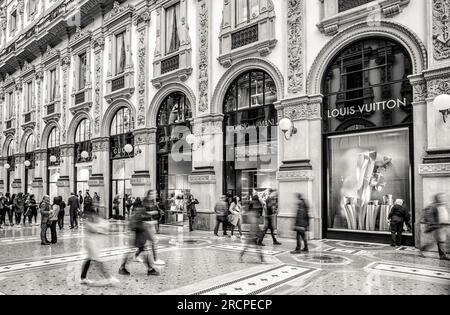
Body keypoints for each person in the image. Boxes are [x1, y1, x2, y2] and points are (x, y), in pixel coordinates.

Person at [119, 197, 160, 276]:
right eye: (150, 203)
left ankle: (149, 268)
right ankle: (123, 268)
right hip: (136, 233)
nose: (151, 205)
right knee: (137, 249)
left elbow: (142, 220)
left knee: (142, 249)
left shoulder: (141, 210)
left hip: (137, 232)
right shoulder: (141, 210)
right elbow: (136, 223)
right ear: (146, 203)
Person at [81, 207, 119, 286]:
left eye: (89, 215)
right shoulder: (88, 222)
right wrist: (103, 230)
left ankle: (83, 277)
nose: (88, 217)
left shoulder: (98, 220)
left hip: (94, 243)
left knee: (89, 258)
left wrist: (107, 228)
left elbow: (106, 227)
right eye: (86, 215)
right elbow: (95, 229)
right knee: (98, 260)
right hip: (91, 244)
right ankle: (109, 278)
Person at [420, 193, 450, 260]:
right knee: (435, 242)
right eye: (441, 197)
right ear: (437, 198)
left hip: (442, 226)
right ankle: (422, 249)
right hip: (436, 227)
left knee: (441, 241)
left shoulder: (442, 205)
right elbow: (429, 216)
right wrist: (433, 224)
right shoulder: (433, 206)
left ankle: (442, 255)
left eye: (443, 197)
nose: (442, 198)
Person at [143, 191, 165, 266]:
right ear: (149, 194)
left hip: (150, 224)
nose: (155, 195)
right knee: (154, 241)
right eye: (153, 193)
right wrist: (153, 212)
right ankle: (155, 259)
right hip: (146, 224)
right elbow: (143, 213)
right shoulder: (146, 202)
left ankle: (135, 256)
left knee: (143, 242)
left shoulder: (153, 202)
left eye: (155, 193)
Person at [240, 198, 265, 263]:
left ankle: (262, 258)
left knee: (253, 247)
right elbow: (254, 225)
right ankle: (262, 259)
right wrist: (257, 233)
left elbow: (255, 224)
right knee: (253, 247)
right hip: (252, 234)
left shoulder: (252, 213)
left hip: (253, 234)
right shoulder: (253, 214)